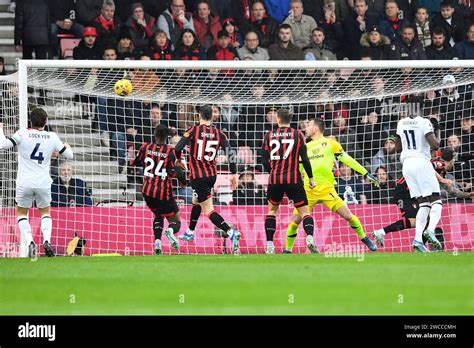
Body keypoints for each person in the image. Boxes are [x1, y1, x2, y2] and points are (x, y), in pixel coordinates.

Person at [284, 118, 379, 254]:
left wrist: (365, 172)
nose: (305, 127)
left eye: (309, 125)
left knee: (348, 215)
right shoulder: (304, 147)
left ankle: (364, 238)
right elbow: (299, 168)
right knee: (295, 222)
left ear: (316, 128)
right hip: (308, 190)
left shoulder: (330, 143)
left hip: (327, 189)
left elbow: (347, 159)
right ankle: (288, 249)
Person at [0, 108, 74, 258]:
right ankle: (46, 241)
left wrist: (0, 130)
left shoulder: (22, 133)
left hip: (24, 182)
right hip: (43, 183)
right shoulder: (52, 136)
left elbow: (3, 145)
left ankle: (30, 243)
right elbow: (69, 155)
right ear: (46, 121)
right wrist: (67, 146)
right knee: (45, 212)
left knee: (21, 213)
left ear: (31, 121)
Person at [372, 149, 473, 250]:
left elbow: (451, 191)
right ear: (451, 160)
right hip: (403, 192)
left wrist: (467, 195)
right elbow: (427, 166)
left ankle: (384, 233)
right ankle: (384, 233)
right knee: (417, 220)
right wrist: (443, 180)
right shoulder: (439, 163)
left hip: (413, 194)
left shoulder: (441, 172)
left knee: (420, 220)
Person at [175, 105, 241, 254]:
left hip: (198, 176)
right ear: (212, 117)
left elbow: (177, 149)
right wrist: (233, 173)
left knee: (209, 210)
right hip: (211, 175)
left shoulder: (193, 130)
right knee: (195, 200)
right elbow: (230, 153)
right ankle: (190, 231)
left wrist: (179, 160)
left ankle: (231, 232)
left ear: (199, 116)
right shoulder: (219, 133)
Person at [261, 109, 317, 254]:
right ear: (290, 119)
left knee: (272, 211)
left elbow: (263, 160)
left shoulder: (269, 135)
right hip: (294, 179)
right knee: (305, 212)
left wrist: (272, 171)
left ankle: (269, 245)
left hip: (275, 179)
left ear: (278, 118)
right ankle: (310, 238)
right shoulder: (298, 134)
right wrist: (310, 178)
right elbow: (305, 159)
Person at [396, 110, 444, 252]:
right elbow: (435, 145)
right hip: (421, 162)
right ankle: (430, 230)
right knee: (437, 201)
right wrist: (438, 131)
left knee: (424, 203)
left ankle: (417, 241)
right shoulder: (424, 122)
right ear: (421, 107)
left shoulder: (401, 123)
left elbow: (398, 147)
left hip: (406, 166)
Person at [134, 125, 187, 255]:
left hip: (147, 191)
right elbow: (179, 173)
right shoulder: (170, 151)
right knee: (176, 221)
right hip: (163, 192)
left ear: (155, 135)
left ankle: (157, 242)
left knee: (158, 214)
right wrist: (185, 182)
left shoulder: (145, 147)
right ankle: (169, 231)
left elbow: (136, 162)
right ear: (167, 137)